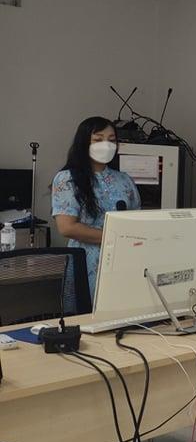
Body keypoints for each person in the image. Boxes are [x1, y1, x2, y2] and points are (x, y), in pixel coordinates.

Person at [52, 117, 141, 312]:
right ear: (84, 142)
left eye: (111, 140)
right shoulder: (67, 179)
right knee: (87, 318)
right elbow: (67, 227)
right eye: (98, 139)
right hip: (86, 261)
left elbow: (137, 221)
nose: (106, 145)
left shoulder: (124, 180)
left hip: (123, 260)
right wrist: (113, 238)